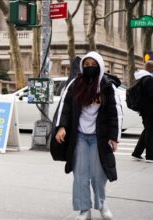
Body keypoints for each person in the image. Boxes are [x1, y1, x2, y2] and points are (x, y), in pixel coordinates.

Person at [54, 51, 123, 220]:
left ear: (99, 66)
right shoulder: (75, 84)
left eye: (94, 65)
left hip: (99, 137)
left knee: (99, 175)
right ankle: (84, 209)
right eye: (87, 65)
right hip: (79, 136)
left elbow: (115, 113)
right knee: (80, 174)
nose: (90, 67)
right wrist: (61, 127)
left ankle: (101, 203)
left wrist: (114, 137)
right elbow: (66, 106)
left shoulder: (106, 86)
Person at [131, 60, 153, 162]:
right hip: (149, 110)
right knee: (150, 132)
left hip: (145, 109)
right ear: (151, 68)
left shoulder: (142, 78)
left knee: (147, 131)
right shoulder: (148, 79)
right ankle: (150, 155)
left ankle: (137, 153)